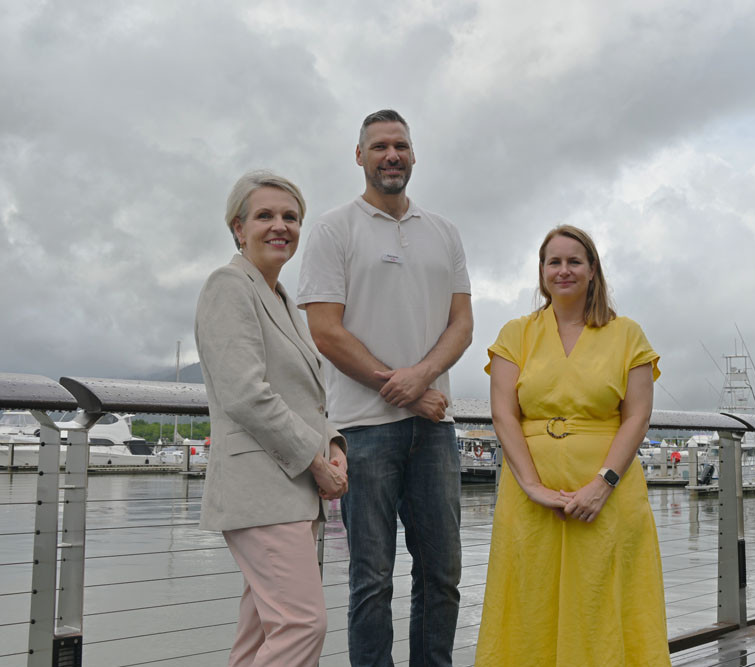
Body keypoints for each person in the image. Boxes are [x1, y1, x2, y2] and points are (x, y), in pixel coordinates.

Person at [297, 109, 473, 666]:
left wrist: (421, 381)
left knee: (442, 574)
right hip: (362, 429)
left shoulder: (444, 232)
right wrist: (400, 388)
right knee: (371, 579)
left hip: (435, 430)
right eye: (378, 147)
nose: (390, 155)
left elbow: (462, 324)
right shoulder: (333, 228)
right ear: (359, 156)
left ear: (414, 155)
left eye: (400, 145)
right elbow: (324, 329)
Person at [475, 225, 670, 666]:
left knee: (603, 597)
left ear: (592, 269)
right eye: (554, 262)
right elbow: (504, 413)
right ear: (542, 272)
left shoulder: (627, 334)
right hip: (530, 496)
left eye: (574, 261)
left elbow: (636, 416)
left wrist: (604, 483)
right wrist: (530, 485)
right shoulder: (516, 333)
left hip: (608, 495)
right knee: (529, 598)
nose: (563, 270)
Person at [196, 169, 349, 666]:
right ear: (238, 228)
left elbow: (305, 397)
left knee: (263, 634)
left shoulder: (283, 300)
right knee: (303, 624)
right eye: (265, 216)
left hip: (291, 490)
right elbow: (245, 393)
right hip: (260, 488)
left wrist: (335, 444)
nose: (280, 226)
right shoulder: (228, 285)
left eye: (290, 217)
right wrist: (315, 460)